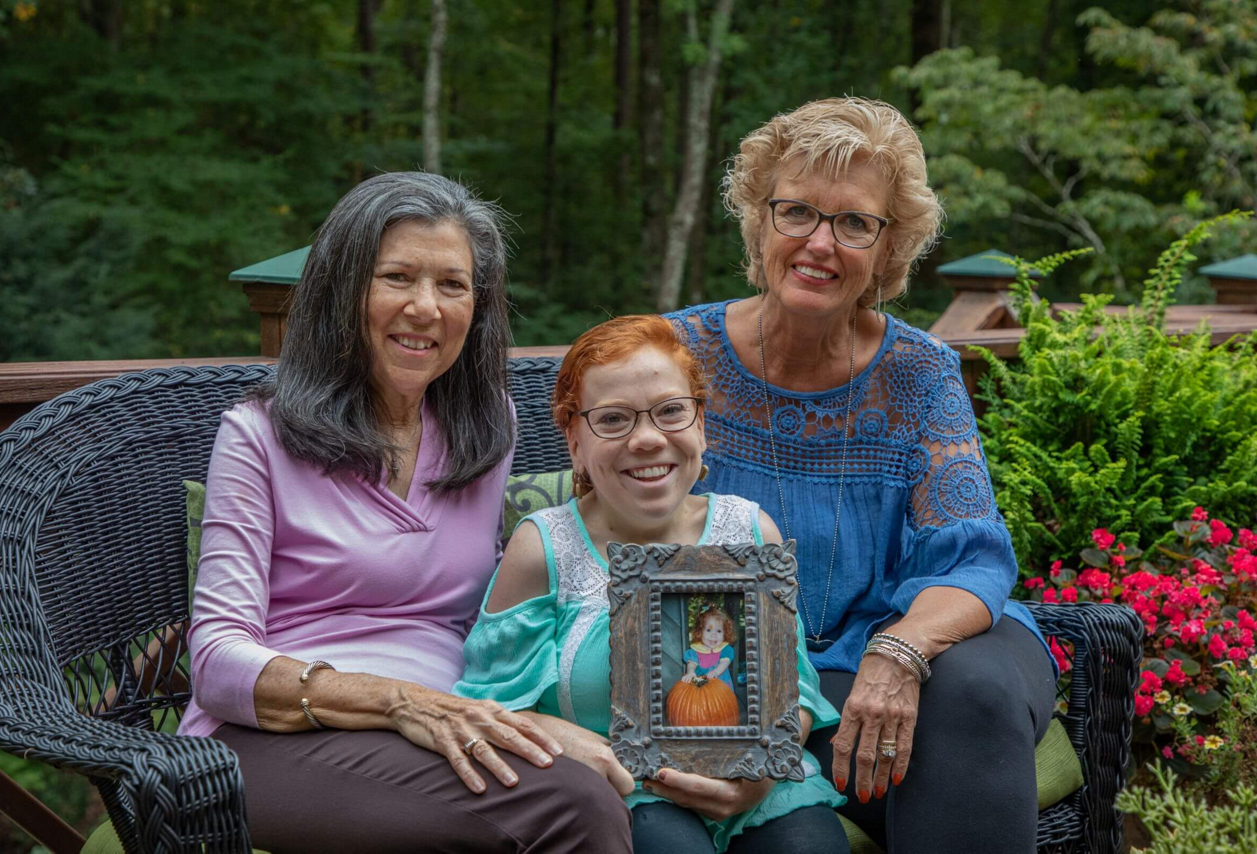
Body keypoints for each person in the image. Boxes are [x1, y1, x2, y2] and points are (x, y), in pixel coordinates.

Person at [179, 172, 632, 853]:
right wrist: (402, 703)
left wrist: (526, 719)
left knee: (609, 779)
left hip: (444, 725)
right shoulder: (257, 434)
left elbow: (484, 627)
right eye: (397, 277)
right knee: (574, 808)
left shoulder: (488, 427)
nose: (427, 307)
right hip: (271, 740)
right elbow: (216, 663)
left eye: (452, 284)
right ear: (343, 291)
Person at [665, 98, 1059, 853]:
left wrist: (899, 651)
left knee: (969, 693)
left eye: (854, 224)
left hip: (919, 640)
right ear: (759, 220)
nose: (821, 243)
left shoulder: (921, 374)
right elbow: (618, 521)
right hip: (749, 664)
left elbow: (969, 555)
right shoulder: (682, 359)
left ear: (887, 251)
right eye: (797, 212)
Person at [453, 315, 850, 854]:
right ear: (573, 437)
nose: (647, 439)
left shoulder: (750, 531)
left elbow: (793, 689)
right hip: (620, 797)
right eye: (613, 419)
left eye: (670, 411)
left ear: (700, 423)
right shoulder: (543, 548)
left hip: (758, 786)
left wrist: (761, 771)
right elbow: (488, 706)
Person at [681, 607, 737, 687]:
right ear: (700, 631)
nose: (713, 635)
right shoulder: (695, 651)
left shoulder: (725, 650)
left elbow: (724, 662)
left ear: (725, 634)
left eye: (719, 631)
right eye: (708, 630)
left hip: (721, 688)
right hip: (701, 687)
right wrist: (690, 672)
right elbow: (692, 663)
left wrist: (715, 672)